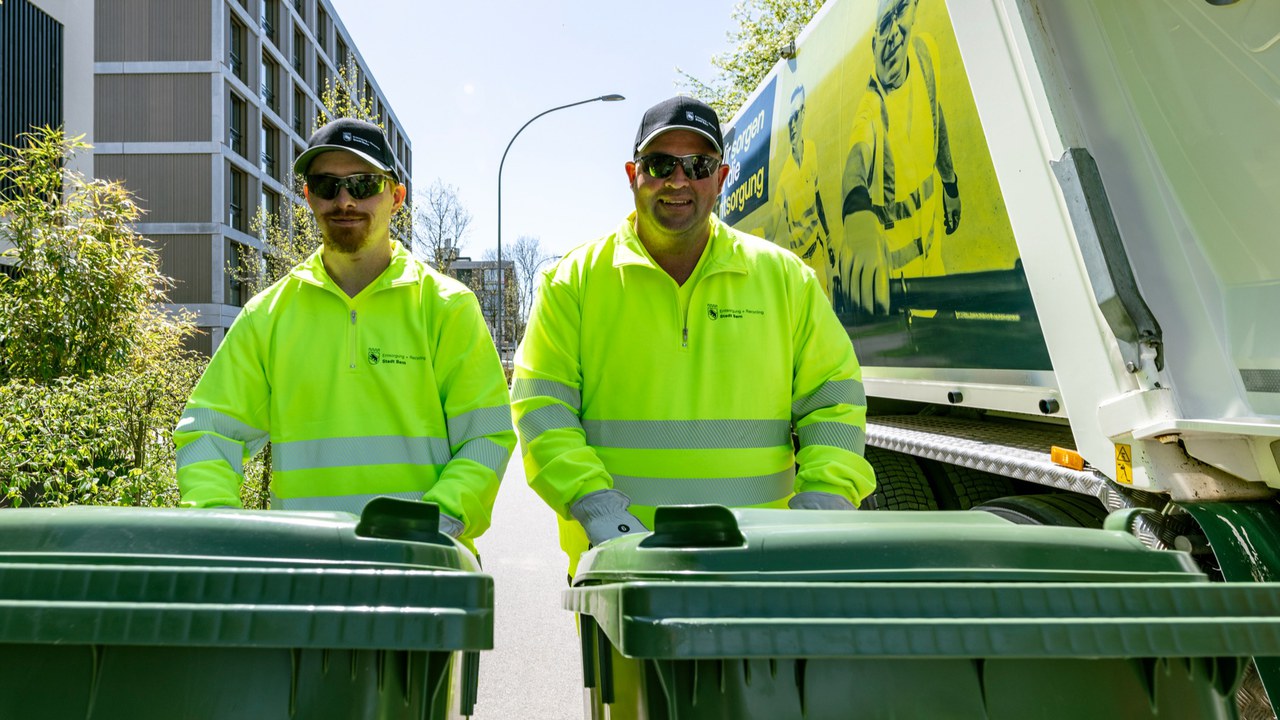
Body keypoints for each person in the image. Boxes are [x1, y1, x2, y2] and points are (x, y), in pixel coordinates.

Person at [512, 96, 875, 575]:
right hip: (619, 565)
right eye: (660, 164)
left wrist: (825, 500)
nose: (678, 180)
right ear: (632, 174)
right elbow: (543, 410)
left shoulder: (786, 279)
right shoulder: (573, 282)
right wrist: (598, 510)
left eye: (698, 165)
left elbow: (834, 402)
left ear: (721, 178)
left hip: (761, 566)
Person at [174, 118, 514, 551]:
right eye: (327, 185)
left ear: (397, 197)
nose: (345, 200)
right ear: (308, 196)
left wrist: (431, 527)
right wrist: (221, 527)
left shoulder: (447, 307)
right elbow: (207, 431)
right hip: (307, 580)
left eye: (364, 183)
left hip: (423, 573)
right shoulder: (268, 316)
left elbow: (485, 437)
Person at [839, 0, 961, 316]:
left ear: (916, 9)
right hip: (902, 298)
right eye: (883, 23)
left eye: (901, 9)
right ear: (873, 41)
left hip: (935, 272)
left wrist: (950, 186)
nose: (894, 33)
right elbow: (855, 163)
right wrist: (858, 221)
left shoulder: (923, 52)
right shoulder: (871, 111)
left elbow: (936, 116)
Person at [775, 84, 835, 296]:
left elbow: (817, 198)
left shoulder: (811, 150)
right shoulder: (783, 179)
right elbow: (772, 233)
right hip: (798, 266)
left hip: (817, 252)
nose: (792, 124)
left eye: (795, 115)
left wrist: (828, 239)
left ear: (803, 114)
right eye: (788, 119)